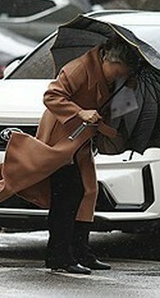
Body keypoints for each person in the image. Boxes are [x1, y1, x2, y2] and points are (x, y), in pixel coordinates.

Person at [41, 36, 140, 274]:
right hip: (61, 136)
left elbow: (113, 108)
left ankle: (80, 251)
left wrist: (128, 91)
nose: (119, 75)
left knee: (88, 191)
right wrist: (80, 112)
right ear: (107, 59)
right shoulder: (79, 68)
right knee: (67, 193)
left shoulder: (116, 79)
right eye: (117, 71)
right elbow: (51, 96)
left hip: (82, 139)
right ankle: (59, 255)